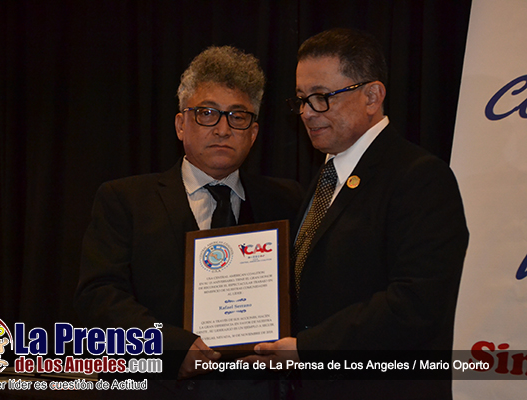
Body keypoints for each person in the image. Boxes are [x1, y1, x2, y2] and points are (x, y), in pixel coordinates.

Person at [245, 28, 469, 399]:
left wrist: (308, 349)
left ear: (371, 96)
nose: (306, 113)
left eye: (321, 97)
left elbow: (415, 304)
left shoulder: (419, 177)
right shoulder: (325, 177)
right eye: (301, 99)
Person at [74, 45, 303, 397]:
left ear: (253, 133)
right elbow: (98, 297)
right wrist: (170, 348)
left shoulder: (287, 201)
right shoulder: (125, 199)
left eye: (238, 116)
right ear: (181, 124)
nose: (223, 129)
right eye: (207, 113)